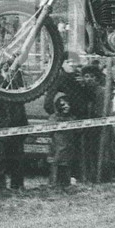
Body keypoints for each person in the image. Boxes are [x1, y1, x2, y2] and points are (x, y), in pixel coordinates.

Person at [43, 58, 92, 187]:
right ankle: (58, 182)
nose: (72, 65)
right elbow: (48, 103)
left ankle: (74, 179)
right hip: (64, 124)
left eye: (74, 62)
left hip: (79, 123)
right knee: (61, 153)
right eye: (69, 62)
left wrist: (85, 85)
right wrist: (60, 115)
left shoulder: (78, 79)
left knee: (76, 153)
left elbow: (87, 100)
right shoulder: (58, 79)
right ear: (62, 63)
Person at [0, 74, 29, 192]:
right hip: (1, 130)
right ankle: (0, 187)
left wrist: (24, 125)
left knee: (17, 159)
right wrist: (4, 126)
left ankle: (17, 185)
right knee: (0, 159)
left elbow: (22, 107)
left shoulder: (17, 83)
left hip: (17, 128)